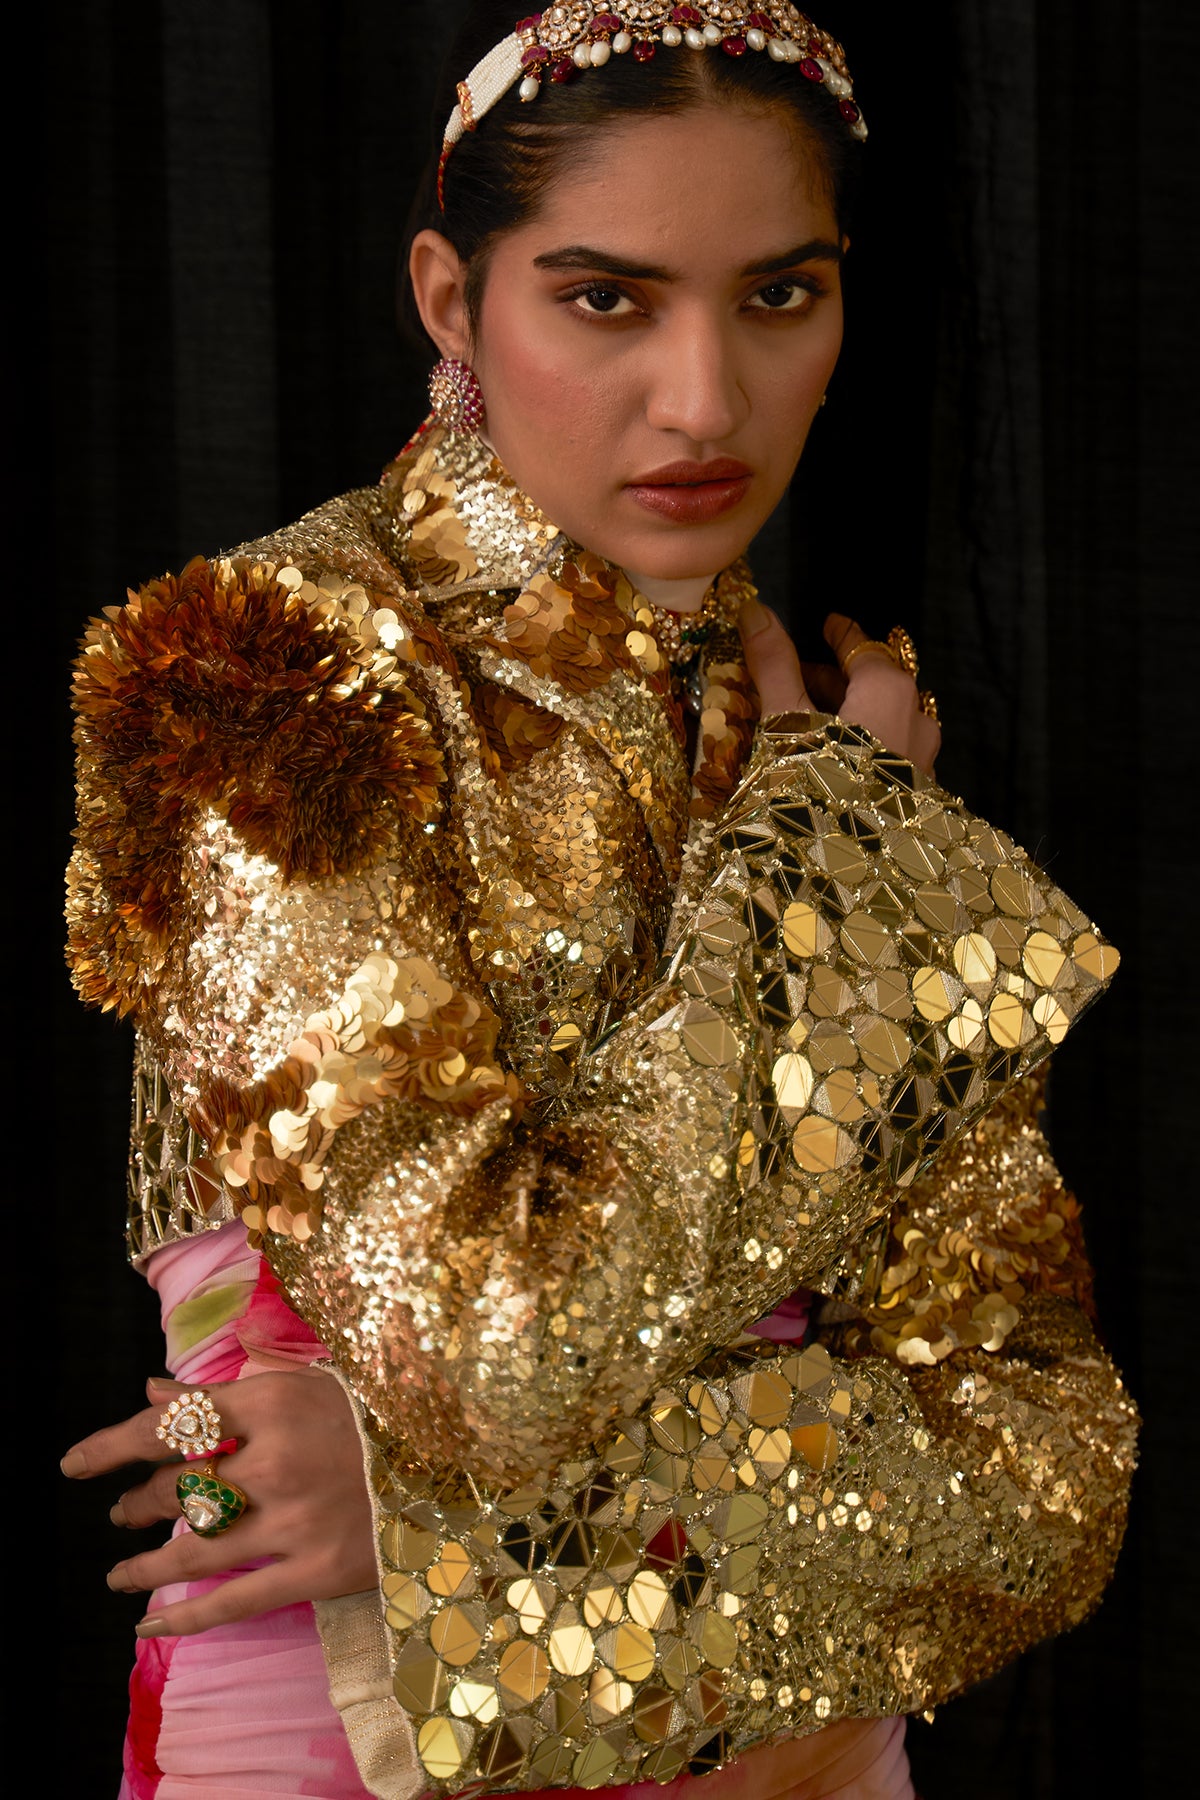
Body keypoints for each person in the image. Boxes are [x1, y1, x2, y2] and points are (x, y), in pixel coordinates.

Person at [61, 5, 1138, 1797]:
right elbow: (499, 1359)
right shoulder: (261, 681)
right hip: (346, 1748)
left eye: (779, 294)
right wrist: (839, 885)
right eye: (606, 299)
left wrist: (433, 1534)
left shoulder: (823, 755)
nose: (706, 399)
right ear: (449, 300)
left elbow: (1043, 1474)